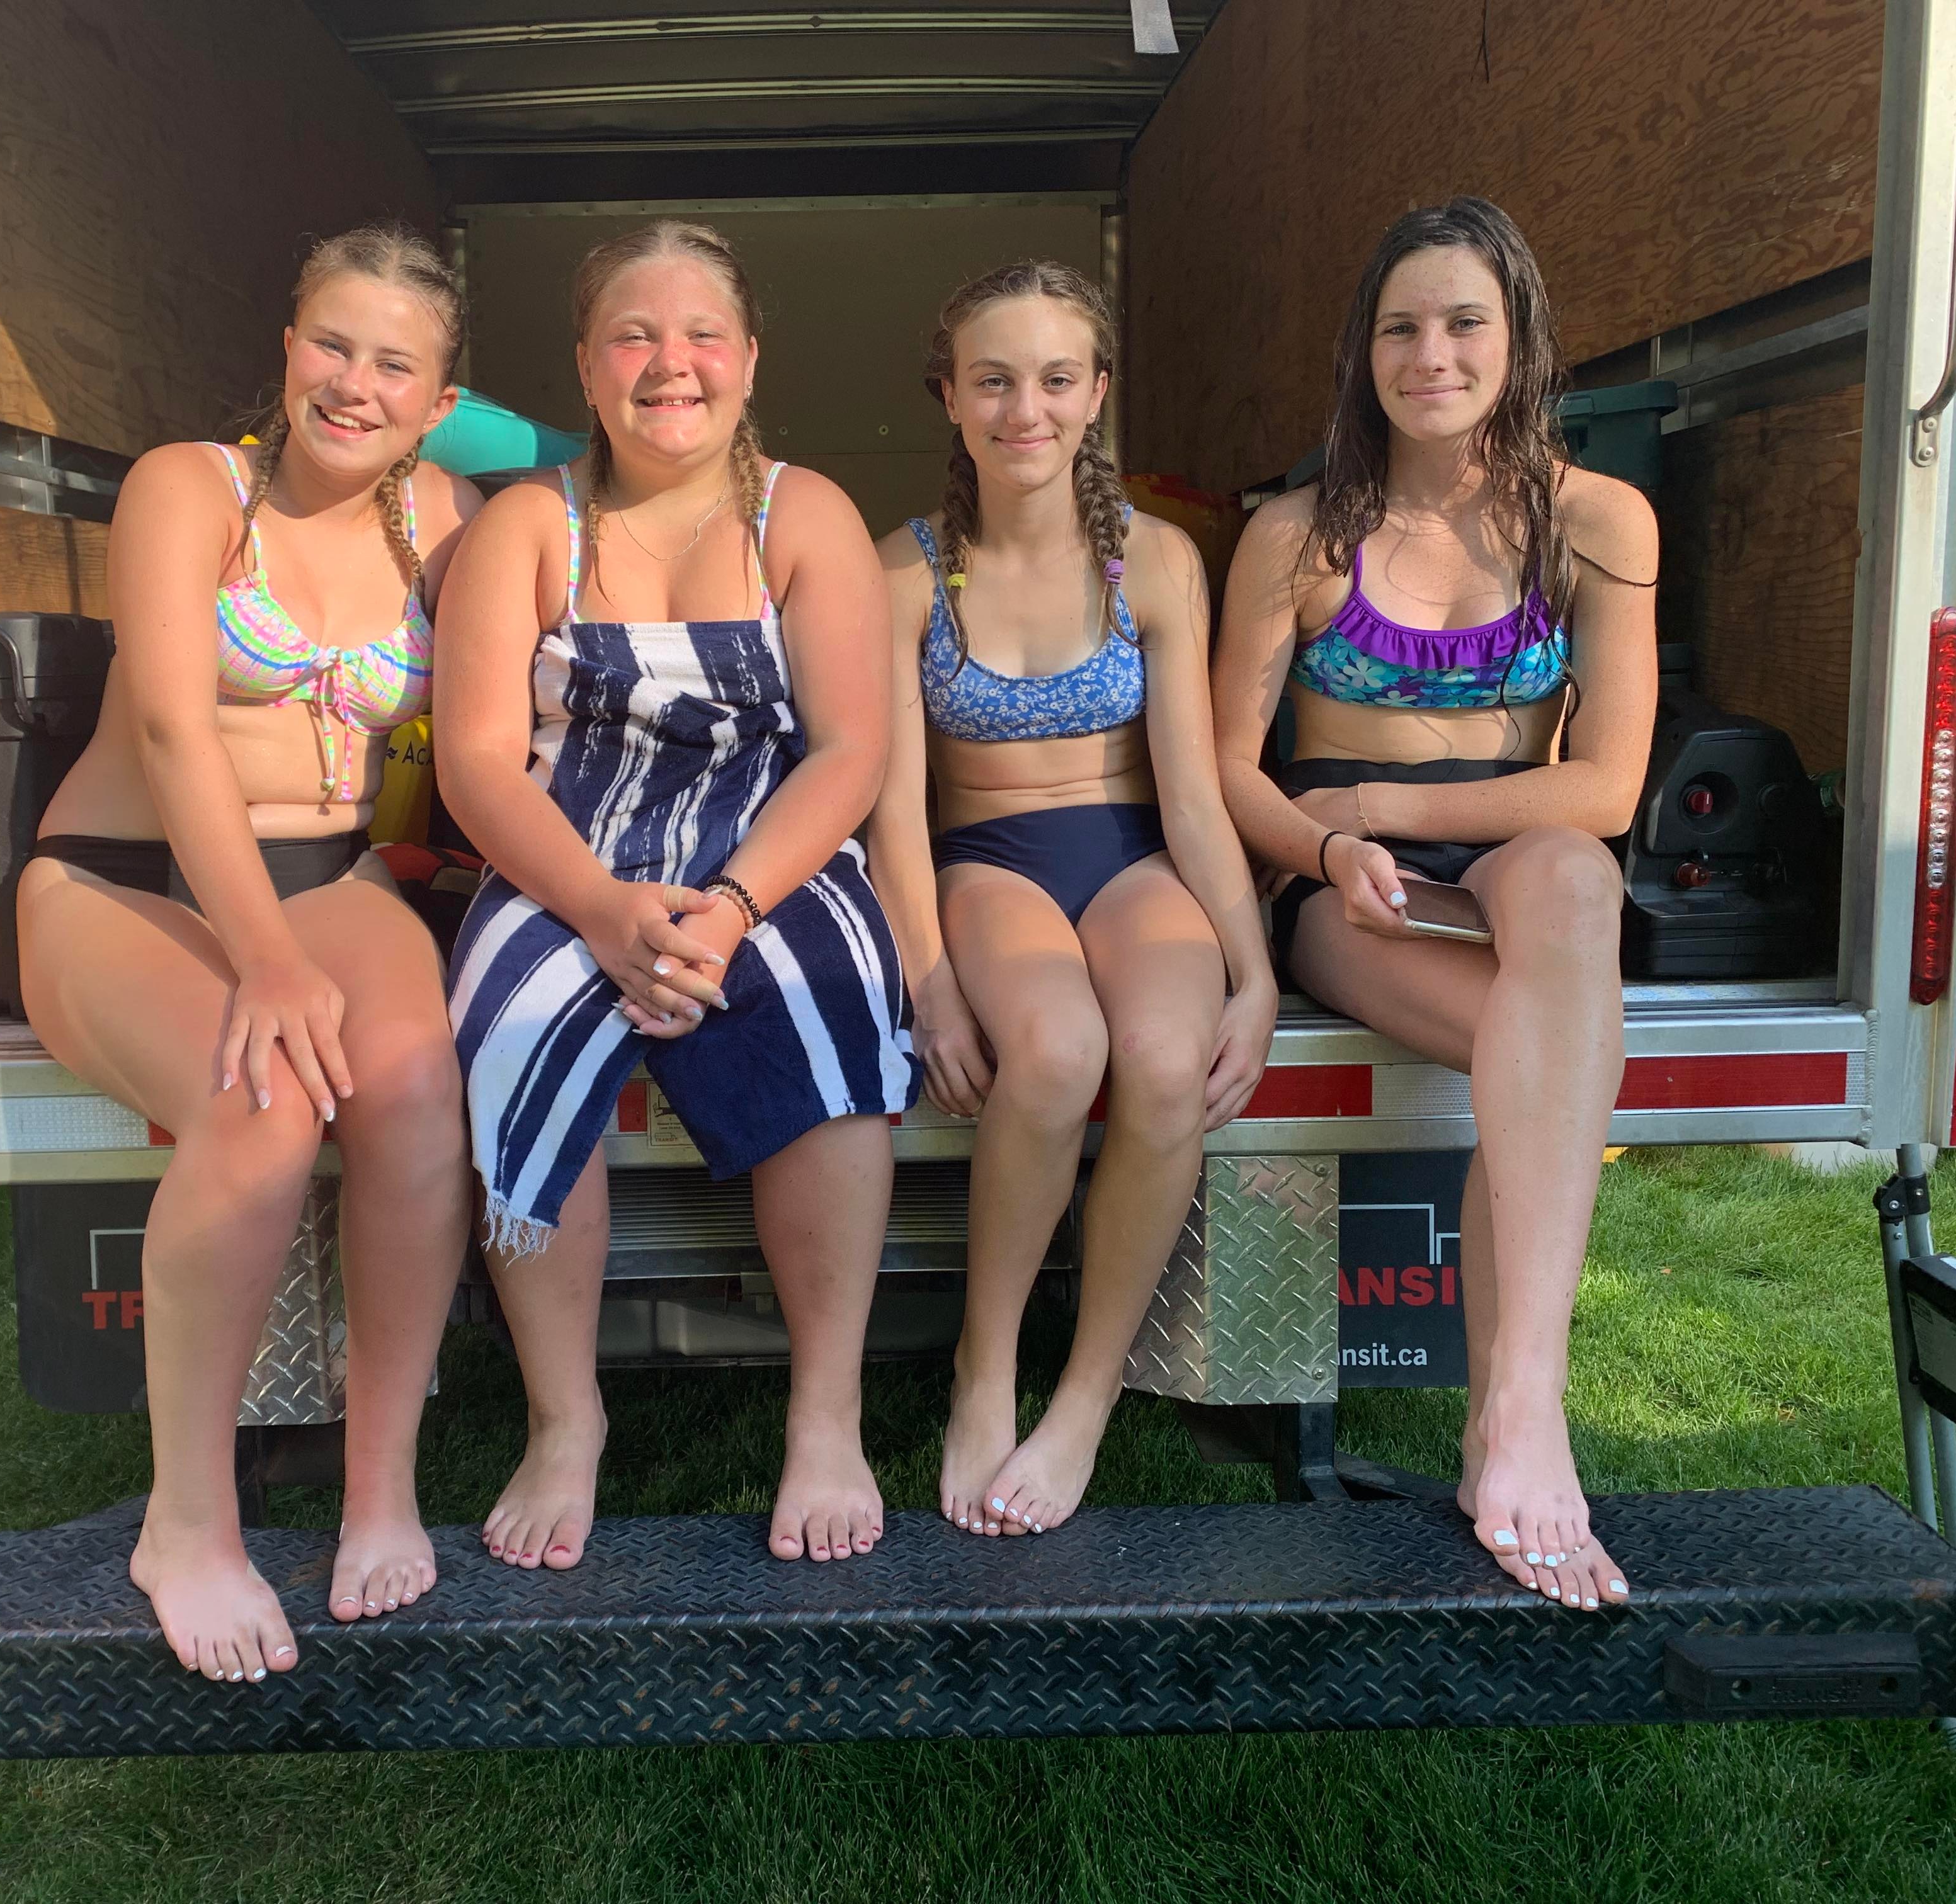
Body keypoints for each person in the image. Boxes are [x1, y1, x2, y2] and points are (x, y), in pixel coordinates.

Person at [18, 225, 480, 1682]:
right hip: (124, 877)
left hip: (326, 871)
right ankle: (188, 1524)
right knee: (264, 1103)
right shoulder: (189, 487)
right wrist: (270, 963)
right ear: (286, 347)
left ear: (439, 398)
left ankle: (379, 1487)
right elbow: (171, 732)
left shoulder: (448, 519)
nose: (354, 384)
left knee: (416, 1084)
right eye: (331, 344)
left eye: (395, 364)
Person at [434, 219, 918, 1573]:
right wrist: (600, 911)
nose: (670, 364)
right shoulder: (527, 525)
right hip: (563, 856)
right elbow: (477, 762)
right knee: (514, 1021)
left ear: (750, 359)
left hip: (771, 855)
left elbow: (852, 753)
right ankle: (564, 1418)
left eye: (702, 334)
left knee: (833, 1006)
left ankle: (827, 1414)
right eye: (633, 337)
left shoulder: (804, 515)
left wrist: (735, 907)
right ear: (586, 366)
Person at [1212, 196, 1657, 1612]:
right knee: (1555, 1064)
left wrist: (1385, 806)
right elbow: (1226, 767)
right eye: (1401, 327)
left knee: (1577, 880)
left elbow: (1605, 788)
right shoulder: (1297, 534)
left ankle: (1519, 1405)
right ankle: (1512, 1432)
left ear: (1519, 338)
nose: (1433, 355)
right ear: (1364, 351)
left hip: (1501, 849)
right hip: (1349, 889)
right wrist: (1328, 842)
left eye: (1466, 322)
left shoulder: (1596, 522)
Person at [867, 261, 1277, 1541]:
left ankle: (1088, 1394)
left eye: (1055, 379)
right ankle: (985, 1367)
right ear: (950, 397)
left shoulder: (1153, 562)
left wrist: (1256, 975)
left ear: (1097, 392)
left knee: (1161, 1058)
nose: (1024, 410)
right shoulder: (906, 572)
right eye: (992, 381)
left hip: (1136, 857)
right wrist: (931, 982)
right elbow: (891, 809)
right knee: (1052, 1050)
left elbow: (1194, 797)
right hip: (986, 858)